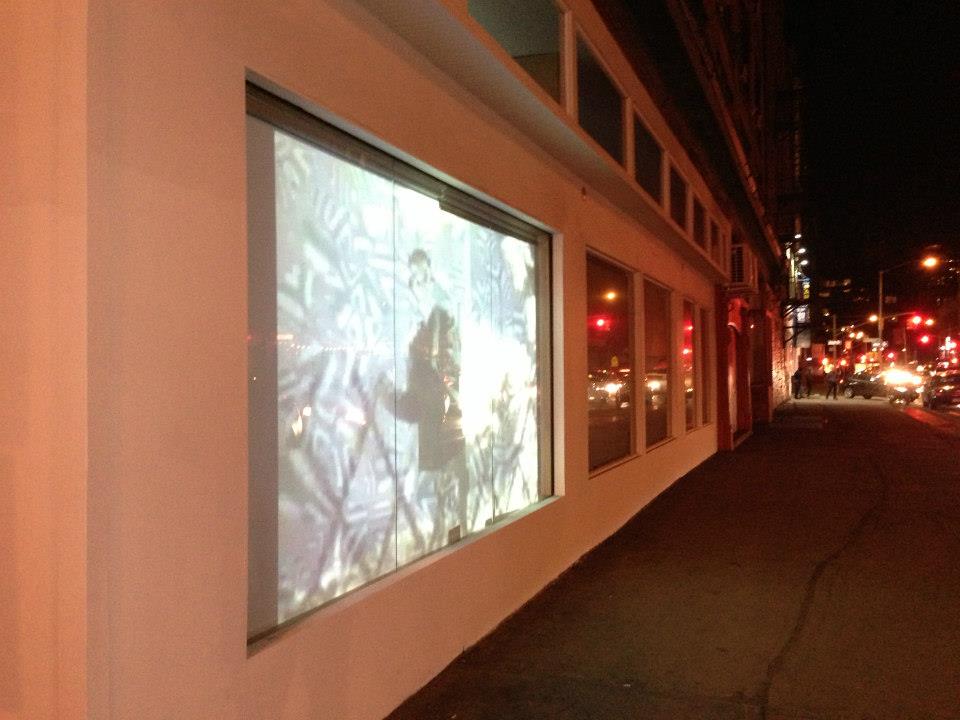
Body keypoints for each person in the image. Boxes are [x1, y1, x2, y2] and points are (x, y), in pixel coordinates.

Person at [388, 248, 470, 549]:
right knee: (436, 466)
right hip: (427, 399)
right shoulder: (415, 315)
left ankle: (453, 521)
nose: (419, 281)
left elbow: (448, 356)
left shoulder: (440, 312)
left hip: (440, 399)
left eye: (423, 274)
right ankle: (441, 522)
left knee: (449, 463)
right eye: (415, 275)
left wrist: (447, 387)